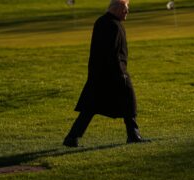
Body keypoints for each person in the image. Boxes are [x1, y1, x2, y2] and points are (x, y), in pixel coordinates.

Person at [63, 0, 150, 147]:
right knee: (128, 100)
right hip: (113, 73)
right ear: (116, 9)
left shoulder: (104, 22)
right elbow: (112, 52)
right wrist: (121, 72)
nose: (127, 12)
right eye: (125, 9)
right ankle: (133, 135)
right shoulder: (112, 25)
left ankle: (72, 138)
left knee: (90, 107)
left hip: (100, 74)